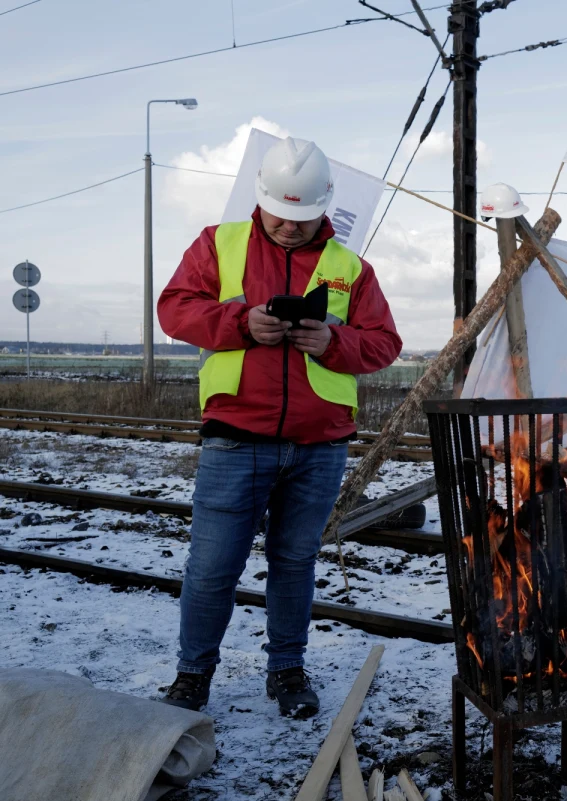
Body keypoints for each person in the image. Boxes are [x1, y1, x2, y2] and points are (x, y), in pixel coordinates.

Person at [156, 137, 402, 718]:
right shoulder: (218, 243)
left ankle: (287, 670)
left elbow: (384, 343)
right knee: (212, 568)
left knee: (294, 565)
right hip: (235, 439)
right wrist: (242, 323)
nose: (290, 228)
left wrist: (333, 341)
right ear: (261, 198)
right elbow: (174, 310)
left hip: (320, 447)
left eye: (303, 217)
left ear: (325, 204)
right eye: (280, 215)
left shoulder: (350, 268)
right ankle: (193, 676)